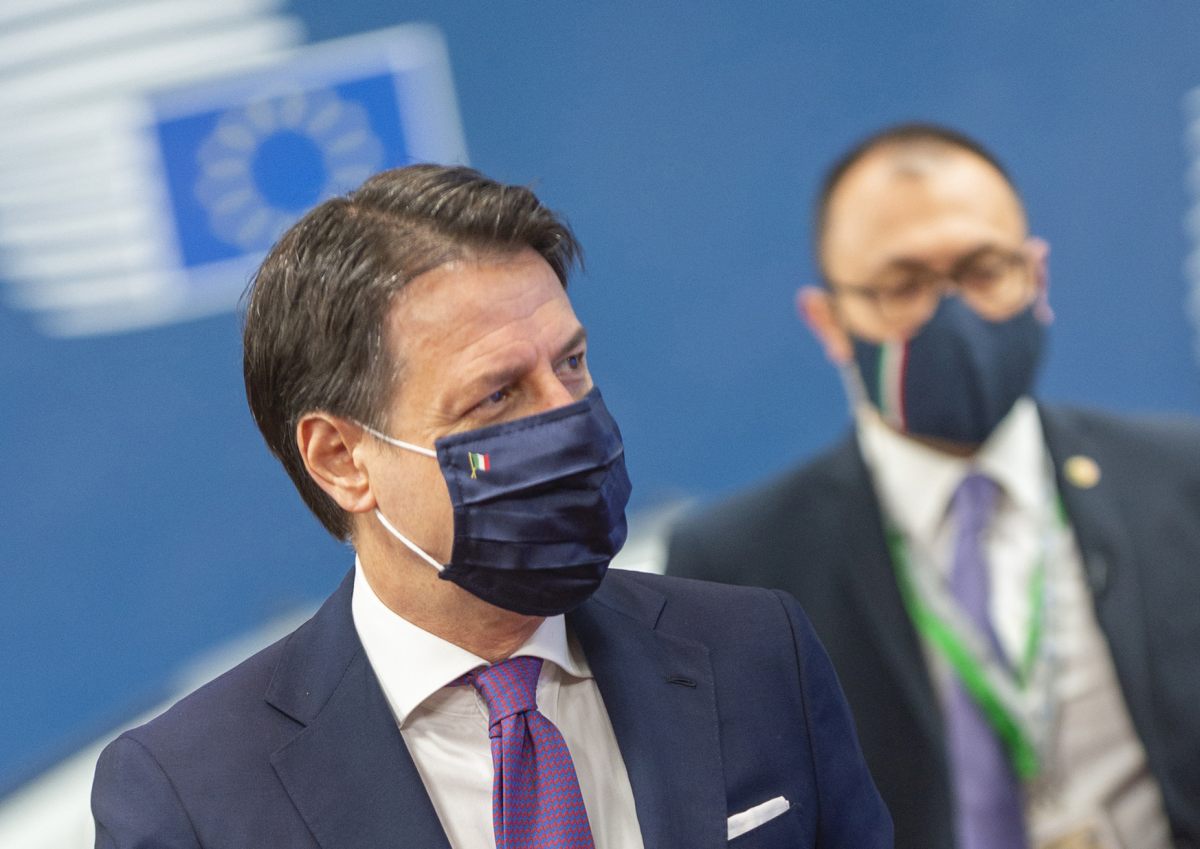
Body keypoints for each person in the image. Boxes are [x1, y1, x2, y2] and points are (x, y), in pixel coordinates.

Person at [90, 164, 891, 848]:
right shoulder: (192, 796)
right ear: (341, 458)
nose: (570, 419)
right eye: (499, 393)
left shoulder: (757, 655)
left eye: (570, 363)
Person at [667, 124, 1200, 849]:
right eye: (903, 287)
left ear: (1037, 278)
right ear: (829, 320)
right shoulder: (739, 569)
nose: (952, 315)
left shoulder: (1179, 480)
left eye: (985, 270)